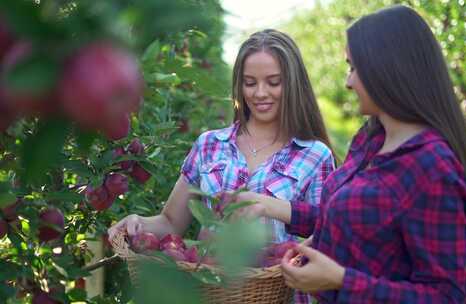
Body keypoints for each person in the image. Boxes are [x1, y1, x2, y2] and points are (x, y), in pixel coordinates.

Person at [233, 5, 466, 303]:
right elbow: (345, 215)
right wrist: (270, 207)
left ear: (387, 69)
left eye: (354, 68)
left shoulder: (431, 167)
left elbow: (445, 296)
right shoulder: (371, 139)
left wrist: (340, 280)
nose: (348, 82)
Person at [108, 29, 335, 303]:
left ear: (293, 83)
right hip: (212, 294)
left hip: (277, 296)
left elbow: (325, 234)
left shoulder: (314, 155)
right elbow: (170, 222)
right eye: (250, 83)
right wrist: (137, 223)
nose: (260, 93)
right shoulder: (210, 145)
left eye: (274, 82)